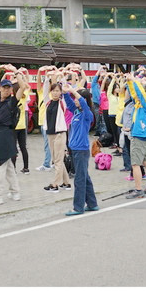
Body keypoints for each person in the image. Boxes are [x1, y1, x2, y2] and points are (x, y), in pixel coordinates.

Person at [0, 68, 28, 204]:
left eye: (9, 88)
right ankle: (15, 193)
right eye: (5, 87)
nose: (6, 90)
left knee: (0, 166)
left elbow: (22, 87)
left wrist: (17, 74)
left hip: (5, 135)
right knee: (8, 166)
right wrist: (0, 69)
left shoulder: (12, 101)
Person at [61, 83, 99, 215]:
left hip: (81, 150)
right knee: (84, 177)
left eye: (76, 98)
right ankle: (93, 204)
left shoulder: (87, 114)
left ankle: (78, 207)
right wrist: (66, 92)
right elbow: (69, 103)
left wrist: (74, 90)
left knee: (79, 179)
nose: (75, 100)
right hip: (75, 149)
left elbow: (82, 102)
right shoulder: (76, 112)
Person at [124, 76, 146, 198]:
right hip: (141, 135)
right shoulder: (139, 105)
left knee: (135, 164)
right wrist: (129, 83)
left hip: (139, 135)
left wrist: (134, 81)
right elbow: (134, 93)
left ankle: (138, 189)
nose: (135, 97)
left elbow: (139, 93)